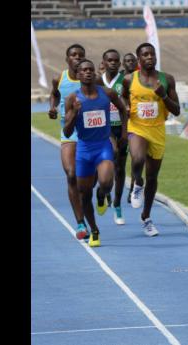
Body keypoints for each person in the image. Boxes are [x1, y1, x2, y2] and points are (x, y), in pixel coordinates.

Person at [64, 59, 128, 247]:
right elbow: (67, 132)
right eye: (84, 70)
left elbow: (123, 109)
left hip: (103, 145)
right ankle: (94, 230)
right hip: (84, 149)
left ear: (95, 73)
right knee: (84, 195)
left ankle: (102, 194)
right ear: (78, 75)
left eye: (91, 69)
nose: (88, 72)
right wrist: (74, 113)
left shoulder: (107, 93)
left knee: (107, 182)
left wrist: (123, 132)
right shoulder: (72, 99)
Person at [122, 43, 180, 236]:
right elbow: (122, 98)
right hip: (137, 127)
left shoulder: (166, 79)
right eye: (145, 54)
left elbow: (177, 110)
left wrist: (163, 95)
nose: (149, 57)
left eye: (152, 54)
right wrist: (126, 108)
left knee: (153, 177)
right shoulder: (129, 79)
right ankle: (137, 183)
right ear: (139, 59)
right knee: (137, 159)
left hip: (157, 131)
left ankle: (146, 217)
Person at [48, 43, 88, 240]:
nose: (78, 57)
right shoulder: (59, 78)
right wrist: (53, 108)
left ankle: (101, 194)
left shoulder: (90, 79)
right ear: (67, 59)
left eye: (81, 55)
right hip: (69, 132)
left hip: (89, 132)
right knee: (71, 174)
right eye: (74, 55)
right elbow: (54, 94)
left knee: (90, 180)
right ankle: (80, 223)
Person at [96, 49, 128, 225]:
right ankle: (103, 192)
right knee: (112, 154)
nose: (113, 63)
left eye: (116, 60)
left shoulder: (125, 81)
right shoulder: (97, 81)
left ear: (120, 63)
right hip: (104, 128)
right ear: (104, 61)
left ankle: (117, 204)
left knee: (121, 168)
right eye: (110, 60)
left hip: (121, 126)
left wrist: (125, 131)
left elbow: (129, 103)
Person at [120, 53, 139, 204]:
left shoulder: (141, 77)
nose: (130, 63)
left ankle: (133, 188)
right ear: (123, 63)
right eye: (127, 61)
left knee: (135, 159)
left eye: (132, 61)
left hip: (136, 124)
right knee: (118, 162)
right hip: (119, 125)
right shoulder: (120, 79)